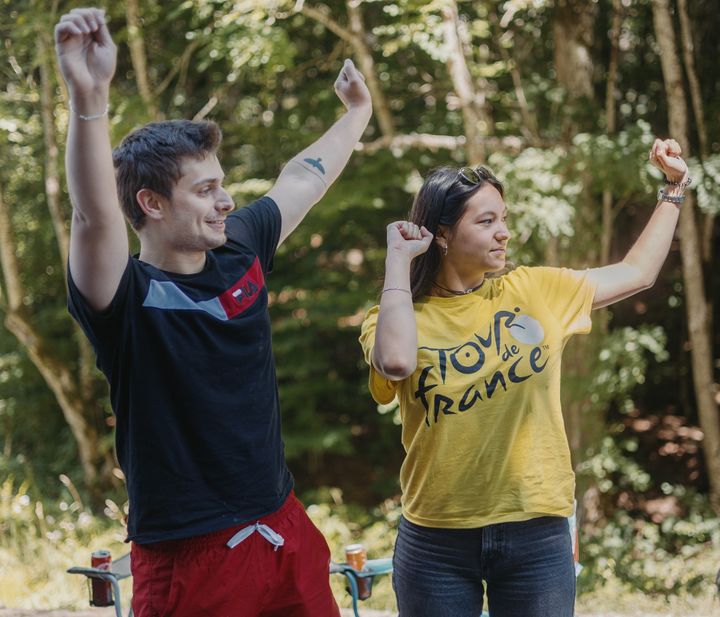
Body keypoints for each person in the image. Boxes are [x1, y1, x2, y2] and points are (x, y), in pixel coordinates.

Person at [55, 7, 371, 617]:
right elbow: (93, 217)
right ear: (150, 203)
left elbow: (303, 178)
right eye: (204, 190)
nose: (226, 200)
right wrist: (88, 95)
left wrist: (355, 113)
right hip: (187, 555)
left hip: (282, 528)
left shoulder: (240, 248)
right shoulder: (124, 298)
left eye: (221, 183)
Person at [359, 139, 689, 616]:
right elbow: (394, 364)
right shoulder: (395, 316)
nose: (504, 234)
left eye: (504, 219)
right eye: (487, 221)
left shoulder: (534, 290)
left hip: (536, 531)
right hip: (436, 539)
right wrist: (398, 259)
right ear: (444, 234)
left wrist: (673, 188)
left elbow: (637, 272)